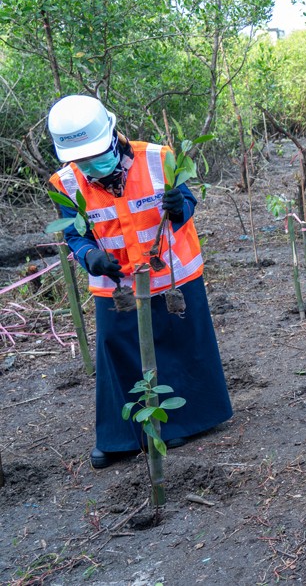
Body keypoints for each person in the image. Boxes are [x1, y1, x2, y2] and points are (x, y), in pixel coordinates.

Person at [46, 95, 232, 469]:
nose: (89, 164)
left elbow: (188, 203)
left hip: (172, 275)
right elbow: (75, 235)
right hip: (117, 285)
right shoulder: (65, 182)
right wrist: (89, 256)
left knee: (180, 346)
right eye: (81, 159)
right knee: (119, 350)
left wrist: (179, 207)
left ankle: (182, 424)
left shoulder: (158, 158)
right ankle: (123, 437)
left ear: (112, 136)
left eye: (95, 154)